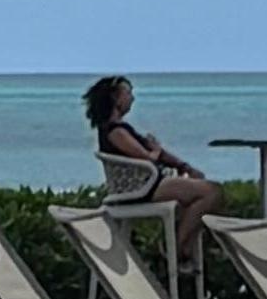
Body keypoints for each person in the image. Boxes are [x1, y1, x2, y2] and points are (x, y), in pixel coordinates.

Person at [80, 74, 217, 261]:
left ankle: (182, 244)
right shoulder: (115, 132)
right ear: (115, 98)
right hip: (143, 188)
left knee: (203, 195)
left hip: (149, 183)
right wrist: (156, 149)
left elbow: (158, 155)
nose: (132, 98)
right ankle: (177, 249)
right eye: (128, 93)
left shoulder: (122, 128)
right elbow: (148, 158)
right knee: (210, 192)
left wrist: (184, 167)